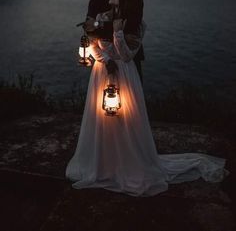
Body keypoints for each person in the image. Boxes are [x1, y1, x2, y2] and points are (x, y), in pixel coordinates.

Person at [65, 15, 229, 196]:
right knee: (101, 119)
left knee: (125, 117)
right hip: (102, 72)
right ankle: (103, 162)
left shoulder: (138, 24)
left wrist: (118, 32)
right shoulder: (102, 16)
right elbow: (92, 45)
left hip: (125, 73)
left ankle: (129, 162)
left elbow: (127, 55)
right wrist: (106, 59)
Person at [83, 0, 145, 83]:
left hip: (130, 59)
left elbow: (132, 25)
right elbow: (89, 31)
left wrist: (98, 25)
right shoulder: (95, 1)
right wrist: (114, 28)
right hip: (105, 62)